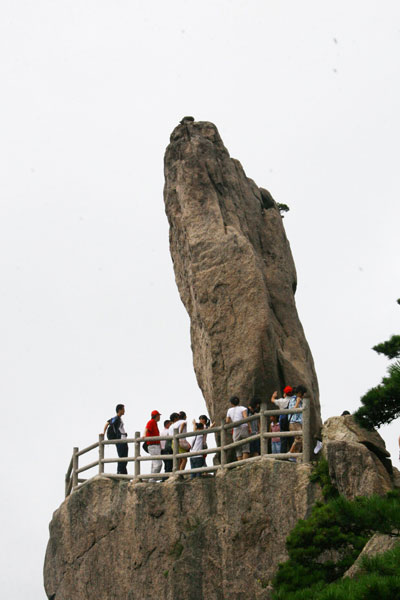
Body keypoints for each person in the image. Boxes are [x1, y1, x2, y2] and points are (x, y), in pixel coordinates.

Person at [103, 404, 128, 474]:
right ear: (119, 410)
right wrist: (103, 433)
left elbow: (107, 423)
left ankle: (123, 473)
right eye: (123, 409)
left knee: (124, 457)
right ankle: (120, 473)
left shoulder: (118, 418)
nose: (124, 411)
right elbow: (107, 423)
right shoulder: (116, 418)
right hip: (120, 440)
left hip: (123, 439)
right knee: (122, 457)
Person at [226, 396, 251, 461]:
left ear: (231, 403)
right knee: (245, 446)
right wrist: (249, 427)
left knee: (238, 447)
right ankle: (244, 464)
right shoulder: (243, 408)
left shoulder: (229, 410)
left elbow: (227, 421)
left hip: (236, 429)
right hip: (244, 427)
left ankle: (239, 464)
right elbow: (245, 418)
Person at [271, 386, 293, 454]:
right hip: (291, 420)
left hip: (283, 420)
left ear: (285, 394)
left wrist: (273, 396)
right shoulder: (293, 400)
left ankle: (282, 455)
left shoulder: (282, 401)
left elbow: (272, 400)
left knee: (283, 438)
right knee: (291, 438)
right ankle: (292, 454)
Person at [288, 385, 307, 459]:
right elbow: (293, 410)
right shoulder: (294, 399)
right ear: (299, 392)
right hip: (294, 422)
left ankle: (295, 457)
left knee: (300, 440)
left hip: (299, 422)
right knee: (300, 438)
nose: (304, 395)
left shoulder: (300, 400)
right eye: (303, 393)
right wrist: (297, 402)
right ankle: (290, 454)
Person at [144, 410, 162, 479]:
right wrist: (144, 435)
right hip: (153, 445)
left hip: (155, 445)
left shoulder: (154, 423)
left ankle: (151, 478)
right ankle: (152, 478)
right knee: (158, 464)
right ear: (156, 416)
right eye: (159, 416)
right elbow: (146, 429)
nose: (159, 417)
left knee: (155, 464)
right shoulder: (151, 422)